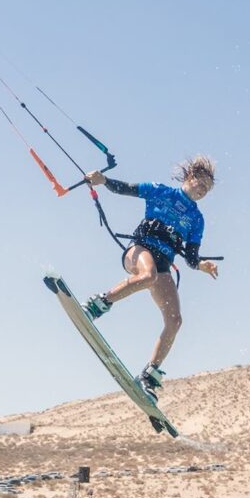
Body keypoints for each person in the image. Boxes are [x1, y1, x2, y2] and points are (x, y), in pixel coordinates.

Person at [82, 156, 218, 398]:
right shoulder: (161, 192)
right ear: (190, 177)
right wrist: (103, 180)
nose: (202, 190)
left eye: (207, 189)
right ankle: (98, 304)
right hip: (139, 251)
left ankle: (149, 374)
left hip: (164, 266)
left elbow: (190, 257)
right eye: (201, 183)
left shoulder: (197, 219)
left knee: (175, 320)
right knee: (148, 275)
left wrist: (202, 266)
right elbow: (126, 188)